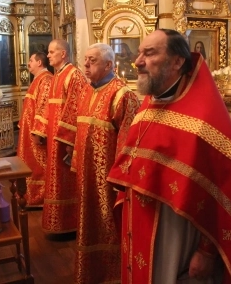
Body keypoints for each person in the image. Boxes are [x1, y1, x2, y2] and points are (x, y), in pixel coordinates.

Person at [107, 29, 231, 283]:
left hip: (177, 238)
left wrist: (207, 252)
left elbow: (224, 194)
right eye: (140, 52)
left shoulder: (204, 122)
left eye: (149, 53)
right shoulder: (148, 107)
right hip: (140, 226)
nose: (138, 61)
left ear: (177, 62)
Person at [69, 43, 139, 283]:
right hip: (86, 176)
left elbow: (128, 141)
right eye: (85, 60)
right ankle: (91, 271)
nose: (86, 65)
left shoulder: (123, 94)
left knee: (109, 225)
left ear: (109, 64)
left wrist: (120, 178)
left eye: (93, 61)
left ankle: (114, 274)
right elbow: (81, 133)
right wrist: (77, 162)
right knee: (88, 223)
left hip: (108, 180)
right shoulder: (87, 91)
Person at [32, 39, 88, 234]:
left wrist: (69, 140)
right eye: (48, 52)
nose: (48, 55)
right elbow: (48, 107)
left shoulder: (74, 75)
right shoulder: (57, 76)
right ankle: (59, 223)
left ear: (63, 54)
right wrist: (41, 130)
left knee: (66, 180)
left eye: (51, 52)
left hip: (64, 140)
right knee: (55, 178)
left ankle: (70, 223)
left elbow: (76, 109)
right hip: (54, 138)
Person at [17, 52, 53, 207]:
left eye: (31, 60)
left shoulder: (46, 79)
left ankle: (40, 196)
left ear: (39, 62)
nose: (28, 63)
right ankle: (28, 195)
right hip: (29, 131)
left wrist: (39, 132)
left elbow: (43, 108)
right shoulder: (38, 79)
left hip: (36, 133)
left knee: (39, 165)